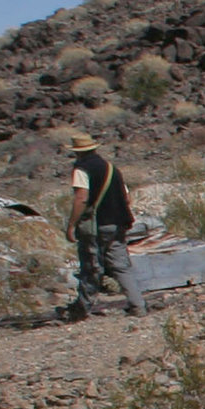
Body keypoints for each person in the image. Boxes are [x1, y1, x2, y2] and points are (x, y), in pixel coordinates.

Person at [63, 131, 146, 319]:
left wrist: (71, 225)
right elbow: (127, 197)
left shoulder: (81, 169)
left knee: (91, 266)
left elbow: (81, 198)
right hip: (118, 223)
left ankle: (81, 310)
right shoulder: (111, 168)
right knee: (121, 265)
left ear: (77, 152)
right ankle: (138, 305)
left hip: (96, 225)